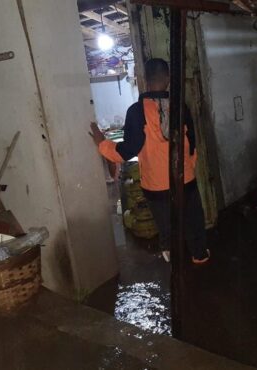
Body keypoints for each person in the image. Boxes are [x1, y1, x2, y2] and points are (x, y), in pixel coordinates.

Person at [89, 58, 210, 265]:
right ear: (168, 79)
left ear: (144, 80)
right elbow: (192, 142)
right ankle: (200, 257)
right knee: (194, 223)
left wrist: (102, 143)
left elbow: (127, 151)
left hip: (156, 186)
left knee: (166, 227)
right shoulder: (180, 106)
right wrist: (189, 166)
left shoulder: (136, 111)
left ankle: (175, 267)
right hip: (185, 180)